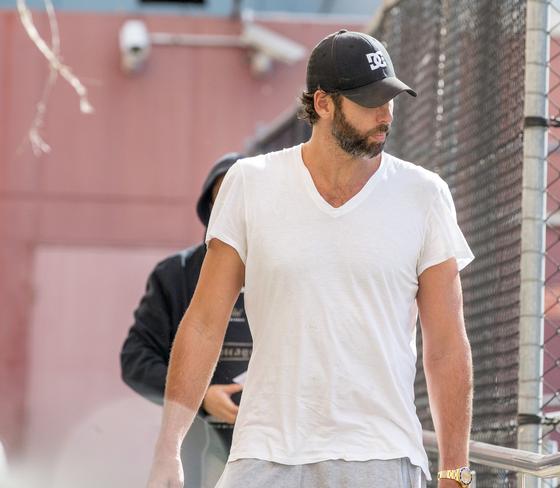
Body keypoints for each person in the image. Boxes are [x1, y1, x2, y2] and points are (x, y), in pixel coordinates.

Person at [147, 29, 475, 488]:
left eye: (391, 99)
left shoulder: (424, 195)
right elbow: (203, 322)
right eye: (369, 101)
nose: (385, 114)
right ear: (323, 103)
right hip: (263, 454)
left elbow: (446, 345)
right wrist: (168, 451)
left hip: (379, 456)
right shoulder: (250, 183)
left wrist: (456, 473)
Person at [121, 153, 252, 488]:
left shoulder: (287, 273)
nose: (235, 210)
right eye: (224, 199)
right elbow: (135, 359)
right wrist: (202, 397)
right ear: (210, 209)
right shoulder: (175, 276)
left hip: (271, 449)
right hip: (199, 451)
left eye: (245, 199)